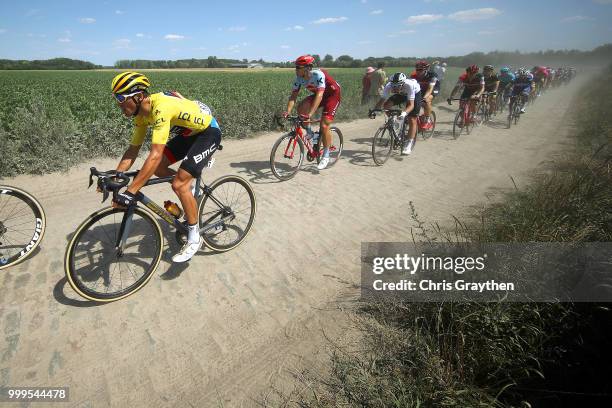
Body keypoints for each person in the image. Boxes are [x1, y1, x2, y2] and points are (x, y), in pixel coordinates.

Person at [110, 71, 222, 263]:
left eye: (121, 98)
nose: (118, 103)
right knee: (160, 169)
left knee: (178, 184)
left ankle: (195, 238)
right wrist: (115, 176)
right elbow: (132, 150)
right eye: (116, 98)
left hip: (208, 133)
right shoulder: (141, 116)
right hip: (188, 134)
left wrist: (130, 191)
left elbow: (154, 154)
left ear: (138, 96)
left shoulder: (160, 108)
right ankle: (192, 188)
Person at [283, 55, 342, 170]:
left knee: (324, 125)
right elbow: (293, 97)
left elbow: (320, 95)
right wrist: (287, 111)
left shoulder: (318, 75)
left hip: (332, 95)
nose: (295, 70)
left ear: (306, 68)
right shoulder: (298, 79)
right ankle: (310, 132)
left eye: (298, 67)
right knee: (301, 107)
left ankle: (326, 155)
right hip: (320, 95)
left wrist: (309, 114)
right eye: (295, 67)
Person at [370, 72, 421, 155]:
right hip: (401, 94)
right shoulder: (388, 86)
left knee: (412, 119)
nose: (395, 87)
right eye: (394, 85)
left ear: (403, 83)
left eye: (398, 85)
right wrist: (375, 110)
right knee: (386, 106)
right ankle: (394, 122)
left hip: (415, 93)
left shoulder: (409, 85)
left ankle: (409, 144)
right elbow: (382, 101)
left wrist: (404, 113)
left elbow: (411, 105)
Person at [410, 60, 439, 129]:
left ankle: (427, 119)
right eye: (417, 69)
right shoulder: (413, 76)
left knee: (426, 100)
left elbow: (429, 89)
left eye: (420, 70)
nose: (418, 71)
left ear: (426, 69)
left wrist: (423, 98)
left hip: (433, 88)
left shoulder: (432, 75)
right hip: (422, 89)